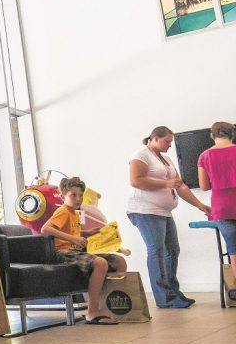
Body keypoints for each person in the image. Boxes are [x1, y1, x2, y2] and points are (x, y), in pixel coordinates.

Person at [127, 126, 210, 308]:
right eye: (167, 141)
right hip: (145, 211)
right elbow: (136, 180)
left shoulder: (166, 160)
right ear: (155, 138)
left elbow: (179, 186)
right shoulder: (140, 155)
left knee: (173, 250)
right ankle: (165, 298)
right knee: (157, 251)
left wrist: (200, 205)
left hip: (163, 212)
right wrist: (166, 183)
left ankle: (174, 292)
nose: (169, 145)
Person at [41, 176, 127, 324]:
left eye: (80, 195)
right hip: (63, 253)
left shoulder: (75, 213)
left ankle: (108, 306)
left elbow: (72, 232)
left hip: (76, 252)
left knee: (119, 261)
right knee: (100, 263)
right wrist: (73, 240)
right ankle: (92, 312)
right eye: (73, 195)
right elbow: (45, 229)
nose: (78, 199)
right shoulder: (63, 211)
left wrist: (88, 233)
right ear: (63, 196)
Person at [197, 121, 236, 301]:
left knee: (233, 251)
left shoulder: (204, 156)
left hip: (222, 207)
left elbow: (204, 186)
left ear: (212, 135)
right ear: (232, 133)